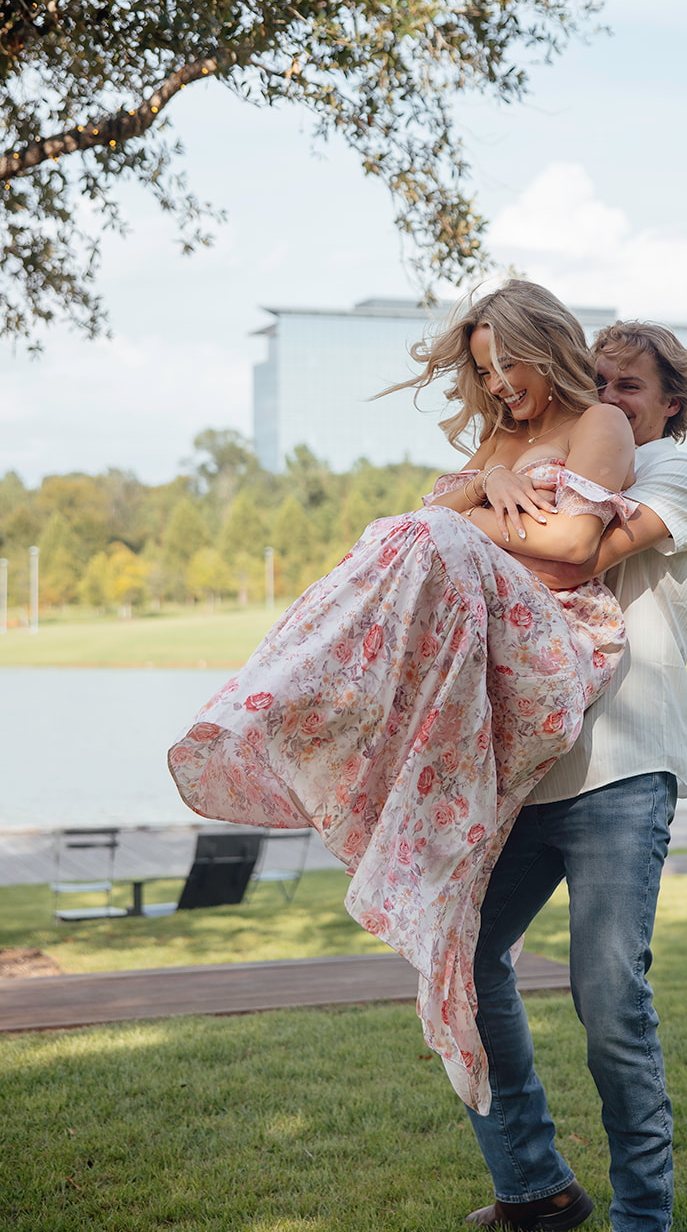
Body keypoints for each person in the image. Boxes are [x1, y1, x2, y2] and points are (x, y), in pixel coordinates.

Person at [168, 281, 639, 1113]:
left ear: (547, 346)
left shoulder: (596, 424)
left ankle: (294, 703)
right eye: (484, 372)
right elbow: (437, 521)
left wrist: (466, 508)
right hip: (487, 628)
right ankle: (315, 708)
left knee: (413, 532)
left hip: (556, 634)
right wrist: (473, 493)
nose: (496, 387)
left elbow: (569, 547)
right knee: (402, 536)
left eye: (506, 367)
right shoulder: (501, 435)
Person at [461, 320, 687, 1232]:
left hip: (623, 769)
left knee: (608, 996)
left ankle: (641, 1225)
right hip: (532, 772)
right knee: (464, 959)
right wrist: (493, 482)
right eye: (598, 383)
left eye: (630, 389)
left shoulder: (673, 478)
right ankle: (535, 1187)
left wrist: (481, 498)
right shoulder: (561, 455)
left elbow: (570, 556)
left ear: (670, 406)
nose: (609, 400)